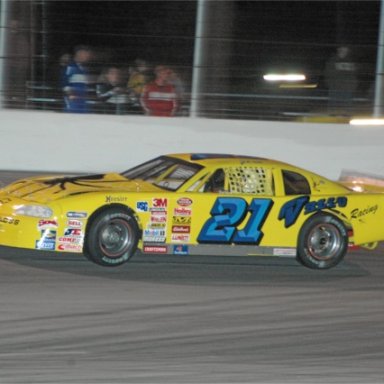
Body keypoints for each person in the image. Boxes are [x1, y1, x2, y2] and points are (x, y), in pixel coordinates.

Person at [324, 46, 358, 115]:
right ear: (339, 49)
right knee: (333, 109)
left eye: (346, 49)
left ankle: (345, 120)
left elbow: (354, 74)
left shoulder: (350, 61)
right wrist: (330, 84)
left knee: (346, 110)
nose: (345, 50)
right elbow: (328, 74)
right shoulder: (332, 61)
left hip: (347, 88)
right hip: (335, 88)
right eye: (343, 49)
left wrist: (353, 85)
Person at [63, 45, 93, 113]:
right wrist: (70, 95)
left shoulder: (84, 69)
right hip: (73, 103)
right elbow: (65, 83)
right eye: (86, 54)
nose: (87, 57)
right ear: (79, 53)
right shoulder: (70, 67)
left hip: (82, 102)